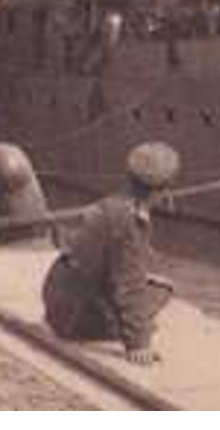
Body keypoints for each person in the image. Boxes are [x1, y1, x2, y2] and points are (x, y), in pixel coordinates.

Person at [41, 142, 178, 365]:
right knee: (162, 291)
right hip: (72, 319)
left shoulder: (110, 204)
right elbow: (128, 285)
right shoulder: (129, 222)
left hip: (56, 302)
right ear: (163, 190)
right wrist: (138, 342)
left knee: (147, 284)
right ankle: (108, 327)